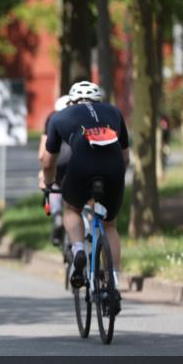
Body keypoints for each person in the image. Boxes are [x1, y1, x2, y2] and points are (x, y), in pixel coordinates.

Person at [39, 81, 130, 314]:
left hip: (81, 167)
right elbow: (126, 158)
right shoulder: (114, 112)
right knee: (109, 224)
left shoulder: (60, 117)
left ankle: (79, 249)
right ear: (99, 100)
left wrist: (48, 184)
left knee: (72, 208)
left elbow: (48, 162)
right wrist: (115, 179)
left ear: (71, 101)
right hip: (113, 168)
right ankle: (113, 283)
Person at [37, 95, 72, 245]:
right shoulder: (83, 118)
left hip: (59, 162)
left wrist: (43, 174)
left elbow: (42, 154)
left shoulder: (52, 119)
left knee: (53, 184)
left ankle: (57, 215)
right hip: (81, 163)